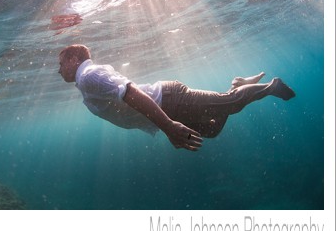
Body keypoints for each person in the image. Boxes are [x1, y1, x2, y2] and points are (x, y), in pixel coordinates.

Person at [58, 44, 295, 151]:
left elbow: (132, 94)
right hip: (165, 109)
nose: (59, 71)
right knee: (212, 130)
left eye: (61, 64)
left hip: (170, 99)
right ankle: (238, 85)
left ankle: (271, 87)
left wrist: (169, 127)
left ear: (72, 59)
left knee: (230, 104)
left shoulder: (89, 75)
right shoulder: (86, 80)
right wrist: (165, 124)